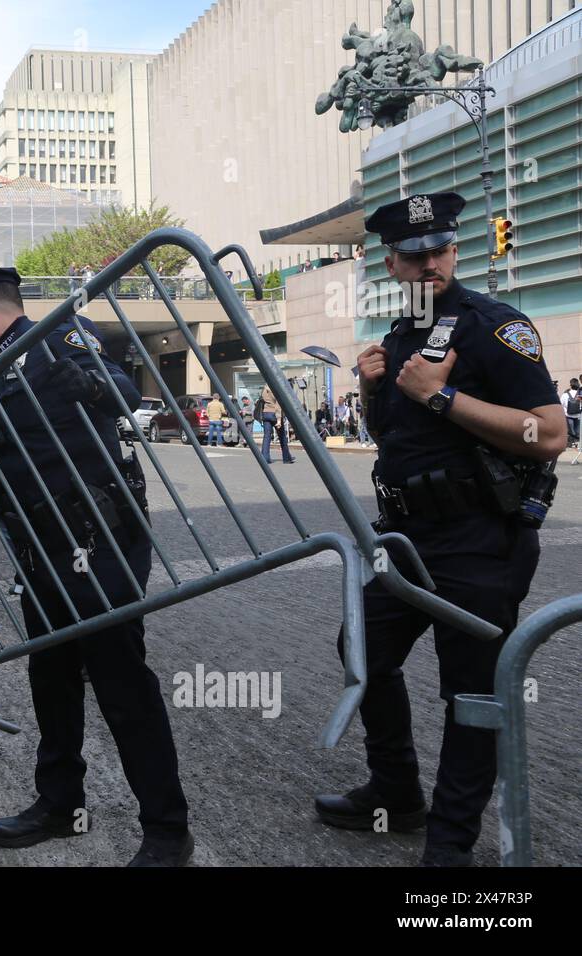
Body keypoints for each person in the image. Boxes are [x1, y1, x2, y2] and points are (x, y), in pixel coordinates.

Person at [315, 192, 567, 867]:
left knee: (472, 692)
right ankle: (396, 792)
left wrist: (443, 395)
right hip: (406, 538)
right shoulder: (399, 339)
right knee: (361, 649)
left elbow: (550, 433)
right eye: (414, 255)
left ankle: (449, 849)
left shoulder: (493, 325)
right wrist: (375, 393)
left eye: (441, 250)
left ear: (454, 252)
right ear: (391, 264)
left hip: (479, 539)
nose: (429, 263)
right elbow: (397, 439)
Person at [0, 266, 192, 867]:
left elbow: (124, 392)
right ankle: (59, 804)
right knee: (51, 678)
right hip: (43, 550)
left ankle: (166, 829)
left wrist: (78, 380)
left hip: (98, 540)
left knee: (122, 683)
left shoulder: (57, 335)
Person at [257, 384, 295, 463]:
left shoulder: (264, 390)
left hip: (265, 413)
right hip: (274, 414)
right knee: (282, 437)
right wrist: (278, 420)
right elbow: (278, 405)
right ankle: (287, 458)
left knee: (266, 436)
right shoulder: (274, 390)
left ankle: (264, 458)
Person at [561, 376, 581, 447]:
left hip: (569, 416)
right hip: (578, 415)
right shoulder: (580, 394)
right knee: (577, 431)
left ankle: (573, 444)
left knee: (571, 432)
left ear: (570, 385)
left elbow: (561, 404)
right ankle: (578, 444)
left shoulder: (565, 394)